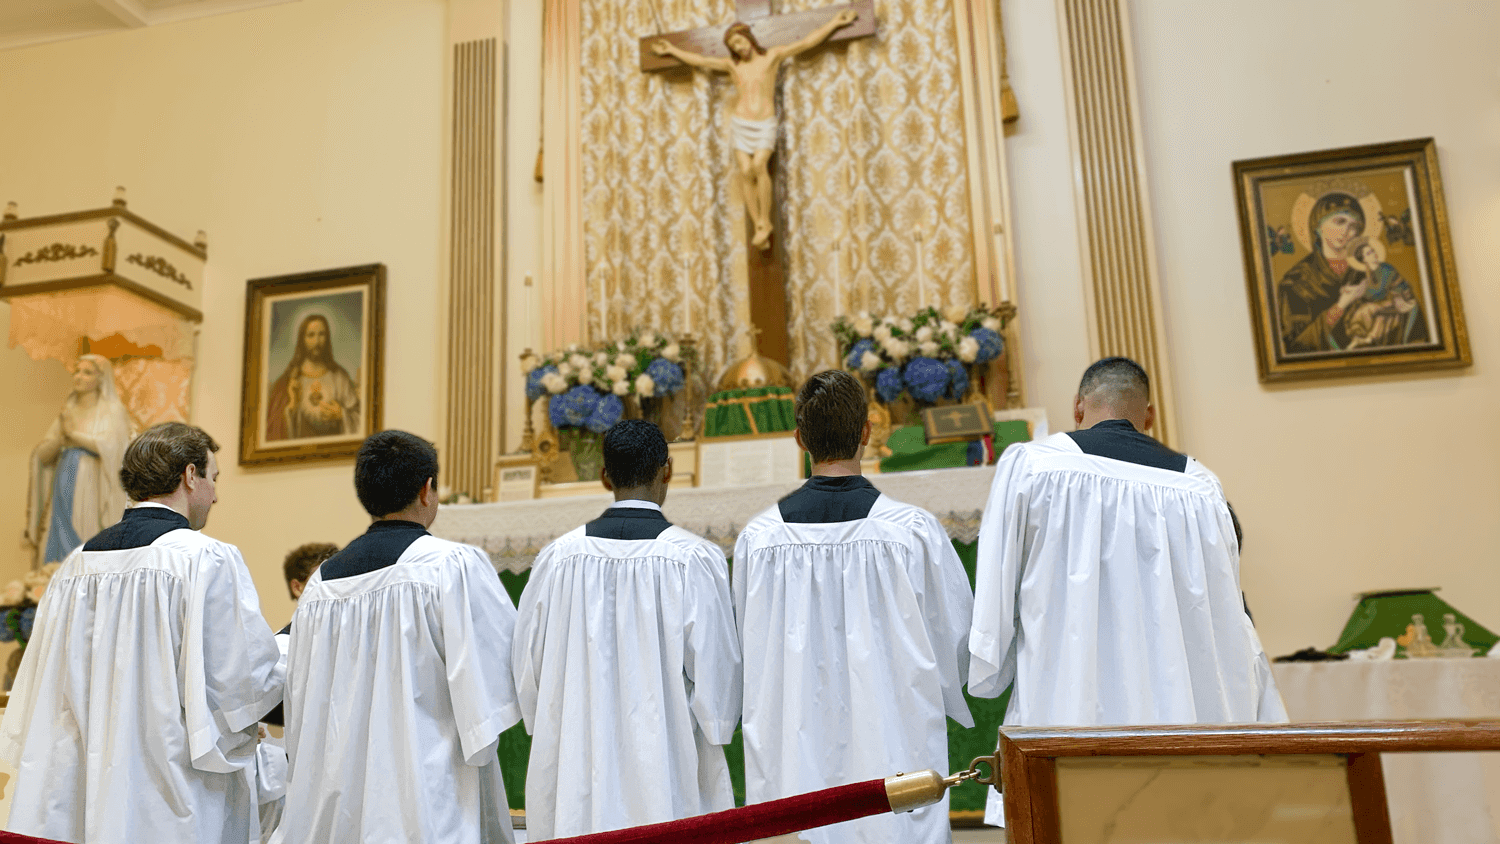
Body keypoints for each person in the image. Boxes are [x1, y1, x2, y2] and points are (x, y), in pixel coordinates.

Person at [968, 358, 1286, 826]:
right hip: (1182, 710)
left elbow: (996, 585)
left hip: (1071, 696)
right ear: (1150, 416)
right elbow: (1228, 613)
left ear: (1078, 408)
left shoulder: (1034, 465)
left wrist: (990, 663)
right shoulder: (1200, 487)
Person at [0, 422, 285, 844]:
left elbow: (45, 685)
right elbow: (241, 681)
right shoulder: (204, 558)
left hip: (80, 783)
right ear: (190, 476)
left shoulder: (77, 564)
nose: (215, 494)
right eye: (213, 477)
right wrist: (294, 650)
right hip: (168, 790)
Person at [733, 370, 973, 844]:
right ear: (866, 432)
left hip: (793, 737)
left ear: (799, 438)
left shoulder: (759, 540)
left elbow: (747, 650)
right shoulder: (911, 531)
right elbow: (957, 639)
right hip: (893, 733)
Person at [274, 431, 520, 844]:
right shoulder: (451, 565)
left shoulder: (320, 585)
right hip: (424, 798)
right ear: (427, 490)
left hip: (337, 801)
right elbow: (503, 671)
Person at [513, 419, 741, 839]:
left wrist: (552, 721)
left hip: (577, 755)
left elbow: (528, 667)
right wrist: (715, 725)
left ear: (604, 476)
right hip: (666, 760)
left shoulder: (557, 559)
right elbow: (718, 677)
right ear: (666, 470)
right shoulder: (694, 559)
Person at [652, 9, 857, 249]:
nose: (738, 47)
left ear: (749, 38)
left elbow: (806, 42)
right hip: (741, 123)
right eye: (733, 45)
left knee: (760, 165)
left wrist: (834, 22)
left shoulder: (772, 57)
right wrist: (671, 50)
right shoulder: (732, 66)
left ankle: (765, 221)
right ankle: (759, 223)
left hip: (764, 123)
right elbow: (701, 61)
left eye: (739, 40)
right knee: (745, 170)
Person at [25, 353, 134, 566]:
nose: (78, 376)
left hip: (91, 485)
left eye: (87, 372)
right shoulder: (68, 411)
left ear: (101, 379)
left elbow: (114, 448)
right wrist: (61, 438)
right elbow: (44, 455)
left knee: (84, 531)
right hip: (63, 478)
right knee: (59, 529)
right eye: (76, 371)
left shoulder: (112, 411)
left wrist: (73, 436)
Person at [1275, 191, 1372, 354]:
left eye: (1354, 226)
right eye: (1340, 221)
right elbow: (1293, 346)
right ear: (1318, 226)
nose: (1347, 230)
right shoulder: (1296, 282)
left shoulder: (1369, 271)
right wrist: (1341, 306)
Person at [265, 313, 360, 441]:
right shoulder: (289, 380)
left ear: (327, 338)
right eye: (311, 335)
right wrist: (292, 406)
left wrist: (341, 414)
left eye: (322, 334)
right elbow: (271, 429)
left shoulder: (339, 377)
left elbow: (361, 419)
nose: (317, 341)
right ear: (302, 340)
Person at [1344, 236, 1426, 349]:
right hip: (1378, 303)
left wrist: (1360, 292)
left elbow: (1384, 291)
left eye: (1372, 251)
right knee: (1363, 311)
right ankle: (1358, 337)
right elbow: (1356, 291)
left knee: (1371, 310)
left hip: (1395, 300)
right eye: (1369, 253)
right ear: (1363, 260)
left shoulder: (1386, 269)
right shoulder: (1362, 273)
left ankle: (1368, 338)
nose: (1373, 253)